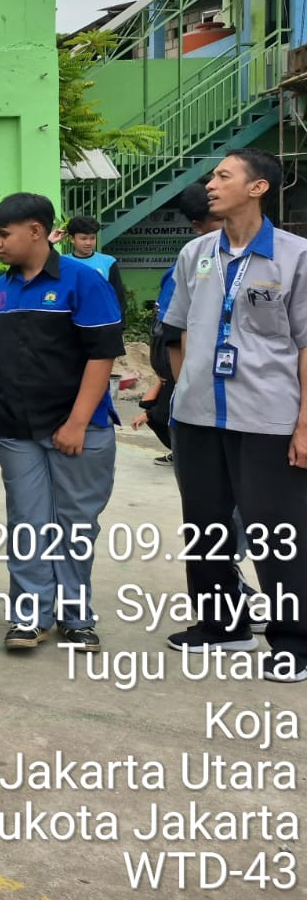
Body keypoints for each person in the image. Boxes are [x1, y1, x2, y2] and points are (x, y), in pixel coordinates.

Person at [161, 149, 307, 682]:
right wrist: (180, 395)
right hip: (198, 416)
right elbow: (176, 329)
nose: (211, 184)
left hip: (266, 417)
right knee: (206, 525)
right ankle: (223, 626)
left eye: (223, 175)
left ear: (258, 187)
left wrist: (305, 424)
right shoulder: (196, 252)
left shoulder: (295, 257)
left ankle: (294, 639)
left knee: (279, 532)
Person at [0, 194, 124, 652]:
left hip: (78, 427)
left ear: (35, 231)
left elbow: (102, 355)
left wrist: (76, 422)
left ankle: (75, 616)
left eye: (3, 235)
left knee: (74, 523)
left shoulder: (83, 281)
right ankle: (29, 616)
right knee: (27, 523)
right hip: (17, 427)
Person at [135, 184, 223, 461]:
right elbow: (173, 331)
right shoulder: (192, 261)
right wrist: (176, 382)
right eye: (218, 221)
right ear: (198, 226)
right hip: (186, 360)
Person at [64, 214, 128, 319]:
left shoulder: (108, 262)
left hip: (101, 322)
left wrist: (120, 325)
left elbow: (118, 296)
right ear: (72, 239)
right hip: (71, 323)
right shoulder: (63, 262)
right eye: (83, 238)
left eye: (92, 238)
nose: (89, 243)